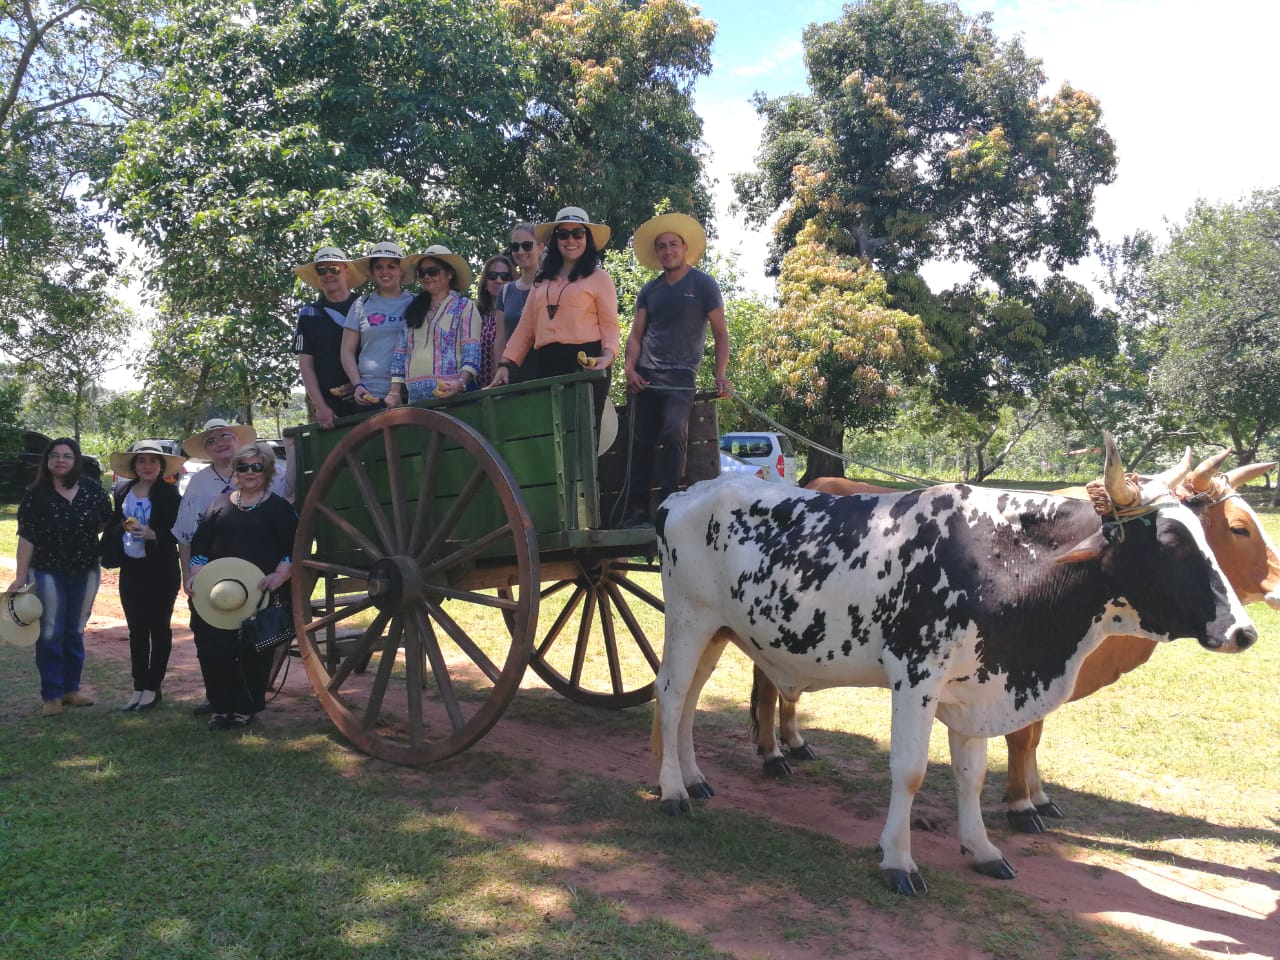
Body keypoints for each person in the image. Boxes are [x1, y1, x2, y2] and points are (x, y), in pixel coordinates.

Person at [620, 213, 730, 528]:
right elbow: (636, 335)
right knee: (638, 443)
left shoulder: (704, 285)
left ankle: (669, 505)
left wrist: (720, 374)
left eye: (673, 245)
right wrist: (630, 369)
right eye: (662, 247)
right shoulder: (650, 290)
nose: (667, 251)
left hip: (681, 378)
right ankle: (637, 510)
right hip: (646, 377)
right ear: (657, 254)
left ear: (684, 248)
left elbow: (721, 333)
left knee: (672, 431)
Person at [175, 418, 289, 716]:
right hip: (217, 591)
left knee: (254, 652)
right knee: (215, 650)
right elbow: (199, 544)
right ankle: (221, 706)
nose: (249, 473)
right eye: (243, 468)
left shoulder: (279, 508)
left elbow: (293, 550)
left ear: (266, 472)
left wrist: (280, 574)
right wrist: (195, 572)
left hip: (260, 591)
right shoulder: (218, 503)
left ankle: (245, 709)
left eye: (256, 467)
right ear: (236, 472)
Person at [8, 437, 112, 716]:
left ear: (76, 460)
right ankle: (51, 695)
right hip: (47, 571)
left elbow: (105, 520)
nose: (61, 460)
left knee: (75, 631)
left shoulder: (92, 490)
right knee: (51, 632)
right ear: (47, 461)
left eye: (67, 455)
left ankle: (70, 690)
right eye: (55, 455)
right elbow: (27, 538)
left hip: (86, 569)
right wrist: (20, 576)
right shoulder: (35, 494)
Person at [490, 206, 619, 422]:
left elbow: (610, 326)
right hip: (548, 364)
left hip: (587, 363)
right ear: (555, 240)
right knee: (554, 439)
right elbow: (525, 329)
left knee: (584, 439)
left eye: (578, 233)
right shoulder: (541, 282)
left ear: (587, 238)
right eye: (563, 234)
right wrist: (505, 364)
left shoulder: (600, 278)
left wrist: (607, 356)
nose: (571, 240)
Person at [102, 441, 185, 711]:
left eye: (153, 461)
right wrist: (120, 530)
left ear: (161, 467)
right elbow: (116, 521)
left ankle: (153, 687)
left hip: (161, 569)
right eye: (142, 461)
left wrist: (155, 535)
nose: (147, 466)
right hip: (132, 568)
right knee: (136, 629)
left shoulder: (170, 495)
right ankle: (139, 686)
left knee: (158, 628)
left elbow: (180, 531)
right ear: (134, 466)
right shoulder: (123, 490)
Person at [388, 244, 483, 404]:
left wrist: (460, 384)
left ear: (449, 274)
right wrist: (395, 392)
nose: (426, 276)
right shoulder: (413, 308)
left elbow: (472, 352)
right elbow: (401, 352)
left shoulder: (464, 306)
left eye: (432, 271)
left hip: (454, 398)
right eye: (422, 273)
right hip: (416, 401)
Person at [291, 246, 367, 428]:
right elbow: (305, 363)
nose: (328, 275)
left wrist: (359, 383)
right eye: (322, 270)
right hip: (331, 408)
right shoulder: (309, 314)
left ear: (346, 272)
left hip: (368, 396)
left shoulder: (366, 305)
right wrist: (320, 406)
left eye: (334, 269)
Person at [341, 240, 414, 411]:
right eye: (379, 267)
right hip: (370, 395)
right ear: (372, 273)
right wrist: (357, 384)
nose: (385, 272)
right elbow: (347, 351)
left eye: (391, 266)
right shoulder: (361, 304)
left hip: (409, 393)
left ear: (401, 272)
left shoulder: (416, 302)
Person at [493, 223, 543, 382]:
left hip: (546, 372)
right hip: (513, 374)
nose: (521, 252)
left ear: (540, 247)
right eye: (515, 247)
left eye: (527, 245)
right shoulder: (505, 291)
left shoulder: (552, 285)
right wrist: (498, 373)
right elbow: (500, 339)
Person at [475, 252, 516, 386]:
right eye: (492, 276)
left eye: (505, 276)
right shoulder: (475, 315)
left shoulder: (517, 313)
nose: (499, 280)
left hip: (511, 386)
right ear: (485, 282)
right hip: (478, 391)